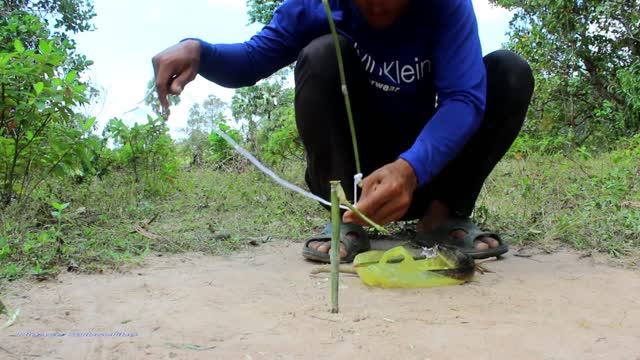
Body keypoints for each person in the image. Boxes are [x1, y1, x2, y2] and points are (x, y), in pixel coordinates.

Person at [152, 0, 534, 263]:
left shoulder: (444, 6)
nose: (379, 4)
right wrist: (199, 50)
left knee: (509, 72)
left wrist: (411, 168)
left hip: (426, 172)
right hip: (353, 175)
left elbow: (463, 99)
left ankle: (441, 218)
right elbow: (252, 60)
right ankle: (346, 222)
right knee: (321, 53)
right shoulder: (316, 5)